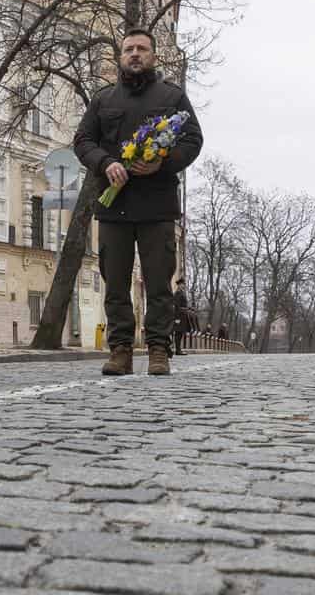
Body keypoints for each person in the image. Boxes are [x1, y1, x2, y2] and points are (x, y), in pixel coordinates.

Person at [73, 27, 203, 377]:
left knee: (159, 283)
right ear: (120, 56)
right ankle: (120, 351)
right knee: (114, 283)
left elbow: (193, 140)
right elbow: (83, 140)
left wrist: (165, 162)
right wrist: (105, 162)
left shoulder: (172, 98)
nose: (134, 54)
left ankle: (159, 350)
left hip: (158, 205)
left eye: (141, 49)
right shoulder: (104, 100)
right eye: (128, 49)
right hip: (114, 206)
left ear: (153, 56)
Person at [172, 277, 192, 357]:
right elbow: (176, 306)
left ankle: (178, 349)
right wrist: (176, 318)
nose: (184, 286)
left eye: (184, 284)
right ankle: (178, 350)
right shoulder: (177, 293)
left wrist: (188, 308)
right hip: (179, 316)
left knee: (180, 333)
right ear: (179, 285)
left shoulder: (182, 293)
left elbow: (183, 305)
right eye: (182, 284)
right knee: (178, 333)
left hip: (182, 316)